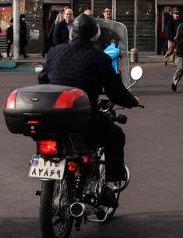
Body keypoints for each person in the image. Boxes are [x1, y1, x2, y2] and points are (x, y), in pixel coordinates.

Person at [38, 15, 140, 186]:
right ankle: (112, 184)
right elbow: (115, 92)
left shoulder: (55, 52)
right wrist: (132, 101)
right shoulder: (100, 58)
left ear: (72, 34)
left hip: (53, 118)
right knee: (116, 136)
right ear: (95, 35)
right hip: (84, 120)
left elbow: (43, 80)